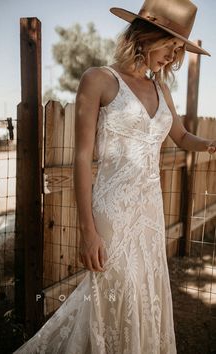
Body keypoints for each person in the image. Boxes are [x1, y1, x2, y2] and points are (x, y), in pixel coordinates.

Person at [13, 0, 215, 353]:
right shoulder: (99, 79)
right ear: (146, 35)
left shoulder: (160, 89)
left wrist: (211, 144)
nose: (172, 56)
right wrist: (87, 231)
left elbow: (181, 136)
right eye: (170, 45)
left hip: (150, 212)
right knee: (113, 293)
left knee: (143, 292)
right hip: (112, 211)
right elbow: (80, 157)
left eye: (179, 49)